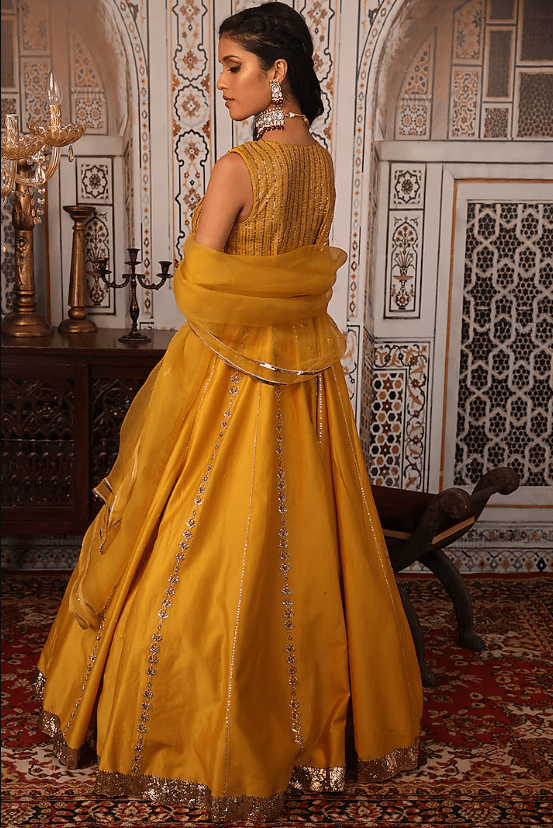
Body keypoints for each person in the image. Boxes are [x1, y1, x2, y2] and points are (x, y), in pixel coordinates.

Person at [33, 3, 422, 822]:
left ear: (277, 72)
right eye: (219, 66)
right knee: (309, 541)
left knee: (198, 545)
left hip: (233, 377)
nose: (220, 82)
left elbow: (200, 285)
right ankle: (318, 727)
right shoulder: (319, 162)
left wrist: (214, 292)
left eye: (233, 66)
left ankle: (185, 731)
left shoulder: (241, 167)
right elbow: (303, 276)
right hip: (305, 379)